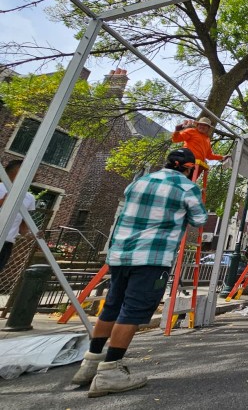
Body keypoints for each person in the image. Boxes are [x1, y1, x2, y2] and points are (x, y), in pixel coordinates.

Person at [71, 148, 207, 397]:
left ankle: (90, 363)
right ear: (189, 168)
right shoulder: (187, 187)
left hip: (121, 254)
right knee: (132, 311)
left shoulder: (139, 182)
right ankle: (110, 370)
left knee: (112, 305)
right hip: (152, 256)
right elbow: (199, 220)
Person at [0, 160, 36, 272]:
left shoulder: (29, 198)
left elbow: (22, 228)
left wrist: (32, 234)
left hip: (6, 244)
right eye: (33, 172)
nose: (36, 176)